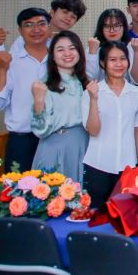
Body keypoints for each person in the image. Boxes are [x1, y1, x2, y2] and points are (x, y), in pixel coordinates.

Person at [82, 41, 138, 209]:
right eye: (113, 60)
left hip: (128, 165)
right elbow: (93, 131)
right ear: (103, 63)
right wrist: (94, 99)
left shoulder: (137, 93)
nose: (119, 64)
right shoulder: (91, 92)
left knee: (125, 214)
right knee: (95, 215)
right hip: (98, 164)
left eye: (123, 59)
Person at [0, 8, 50, 171]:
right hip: (22, 141)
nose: (36, 29)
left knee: (59, 187)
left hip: (53, 140)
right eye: (28, 25)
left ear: (49, 27)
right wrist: (2, 69)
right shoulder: (11, 61)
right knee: (17, 186)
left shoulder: (60, 59)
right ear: (20, 31)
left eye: (41, 24)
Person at [31, 31, 91, 183]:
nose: (67, 53)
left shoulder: (85, 82)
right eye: (60, 49)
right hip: (56, 147)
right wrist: (39, 100)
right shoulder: (44, 85)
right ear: (52, 55)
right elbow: (40, 130)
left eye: (72, 48)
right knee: (56, 194)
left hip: (83, 145)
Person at [0, 0, 87, 60]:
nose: (68, 18)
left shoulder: (71, 43)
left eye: (73, 17)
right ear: (52, 12)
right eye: (65, 12)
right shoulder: (28, 37)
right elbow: (5, 66)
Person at [85, 8, 129, 81]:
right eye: (107, 26)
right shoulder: (93, 48)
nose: (111, 30)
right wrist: (92, 53)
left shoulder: (131, 47)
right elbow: (90, 78)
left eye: (116, 26)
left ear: (124, 27)